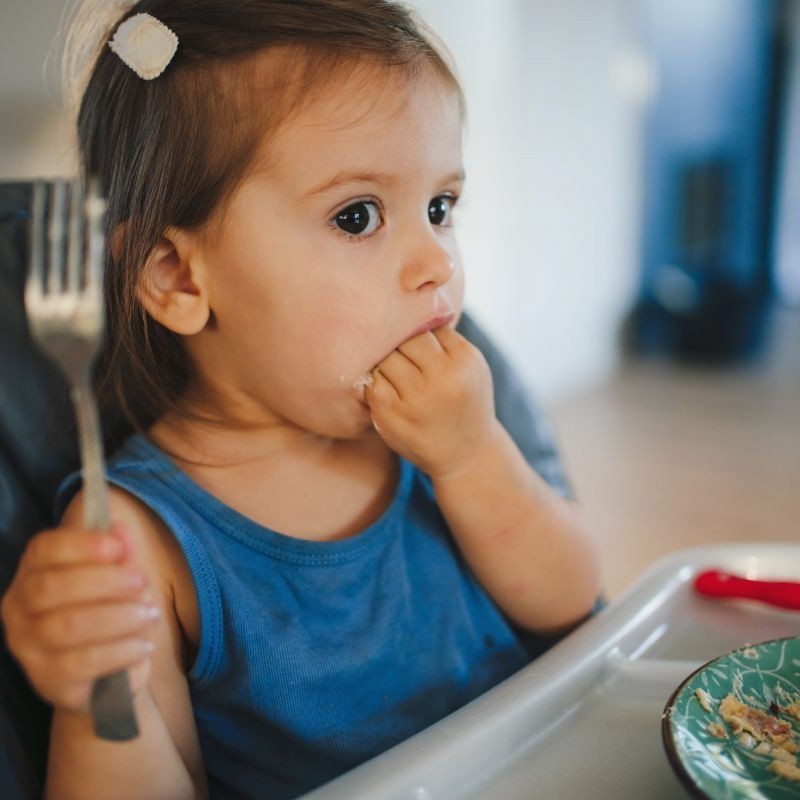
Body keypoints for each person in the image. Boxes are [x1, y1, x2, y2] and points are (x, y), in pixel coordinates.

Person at [1, 1, 601, 798]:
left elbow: (573, 607)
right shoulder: (136, 545)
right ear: (178, 278)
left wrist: (473, 456)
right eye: (358, 216)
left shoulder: (435, 431)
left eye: (441, 207)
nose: (435, 262)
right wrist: (97, 691)